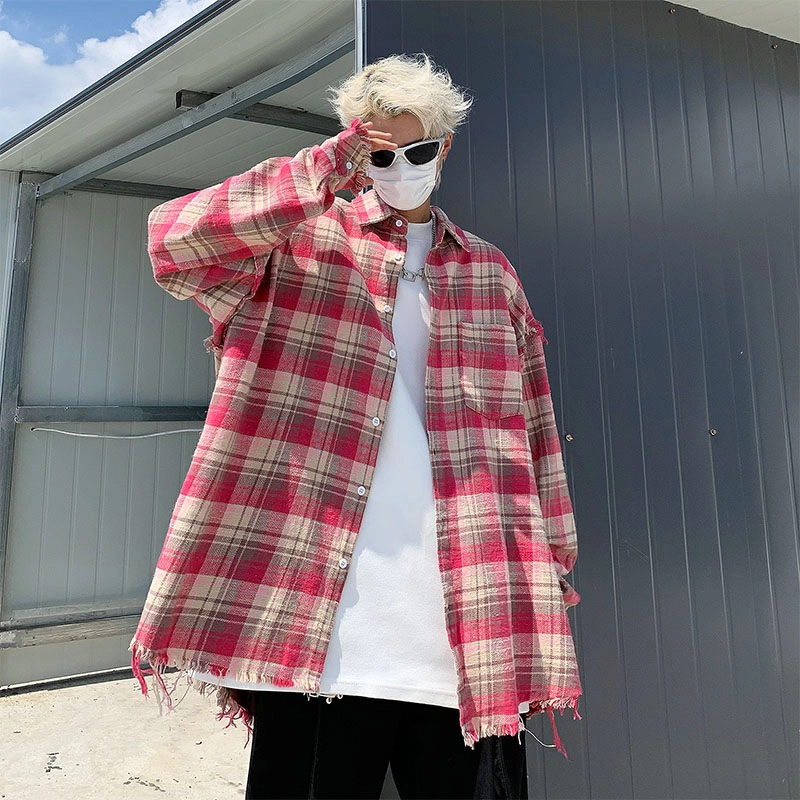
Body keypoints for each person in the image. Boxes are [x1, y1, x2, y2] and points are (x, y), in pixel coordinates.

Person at [129, 52, 582, 799]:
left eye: (418, 150)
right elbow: (172, 241)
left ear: (445, 147)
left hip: (469, 628)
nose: (401, 168)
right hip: (318, 634)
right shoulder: (295, 247)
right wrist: (322, 168)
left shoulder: (490, 272)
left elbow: (533, 429)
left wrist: (552, 562)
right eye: (380, 153)